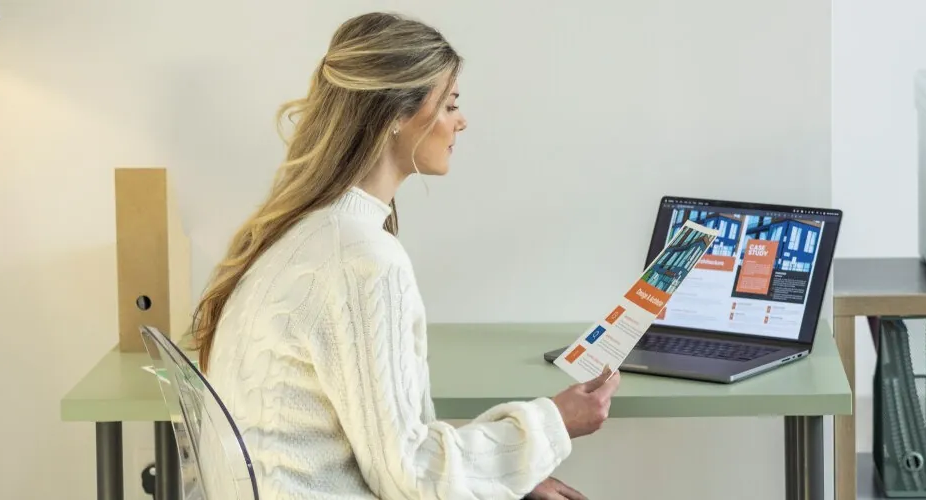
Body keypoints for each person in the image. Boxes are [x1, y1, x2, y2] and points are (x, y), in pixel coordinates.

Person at [188, 12, 619, 500]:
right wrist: (554, 423)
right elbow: (411, 475)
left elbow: (391, 453)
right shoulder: (362, 258)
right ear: (394, 113)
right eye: (450, 103)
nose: (462, 121)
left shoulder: (301, 233)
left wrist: (511, 472)